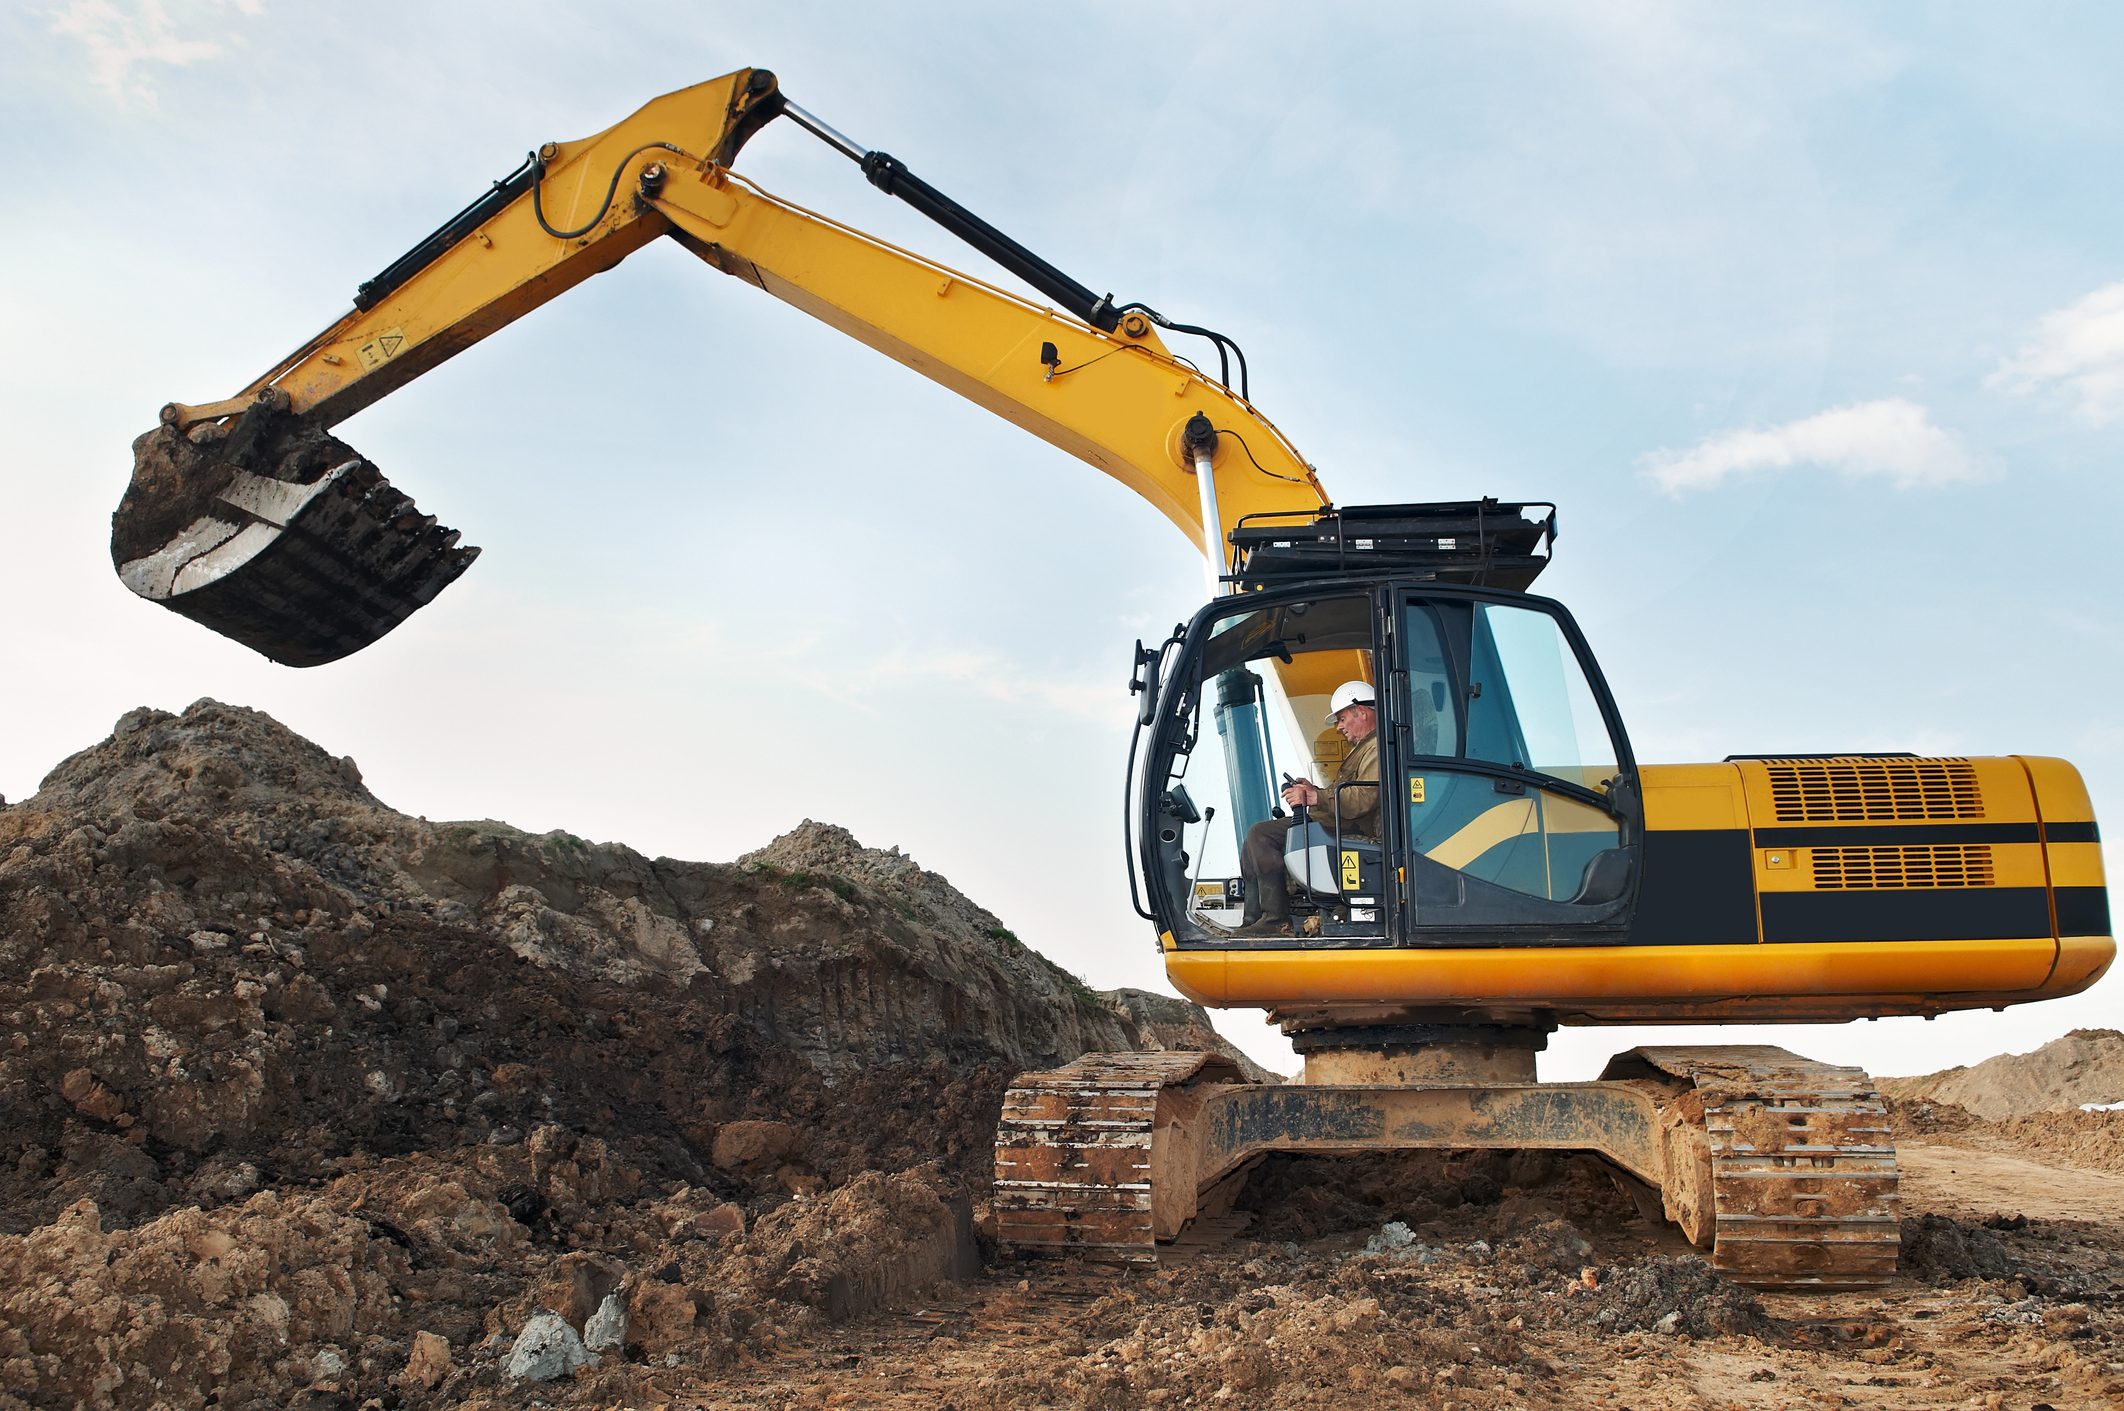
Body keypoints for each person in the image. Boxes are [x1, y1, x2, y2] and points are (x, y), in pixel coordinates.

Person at [1231, 680, 1383, 937]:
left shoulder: (1376, 747)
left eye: (1342, 719)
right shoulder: (1365, 748)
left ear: (1362, 711)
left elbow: (1364, 798)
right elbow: (1347, 793)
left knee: (1261, 834)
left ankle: (1276, 921)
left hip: (1353, 826)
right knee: (1252, 842)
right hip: (1340, 821)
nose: (1339, 727)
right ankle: (1253, 920)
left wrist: (1315, 797)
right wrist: (1315, 791)